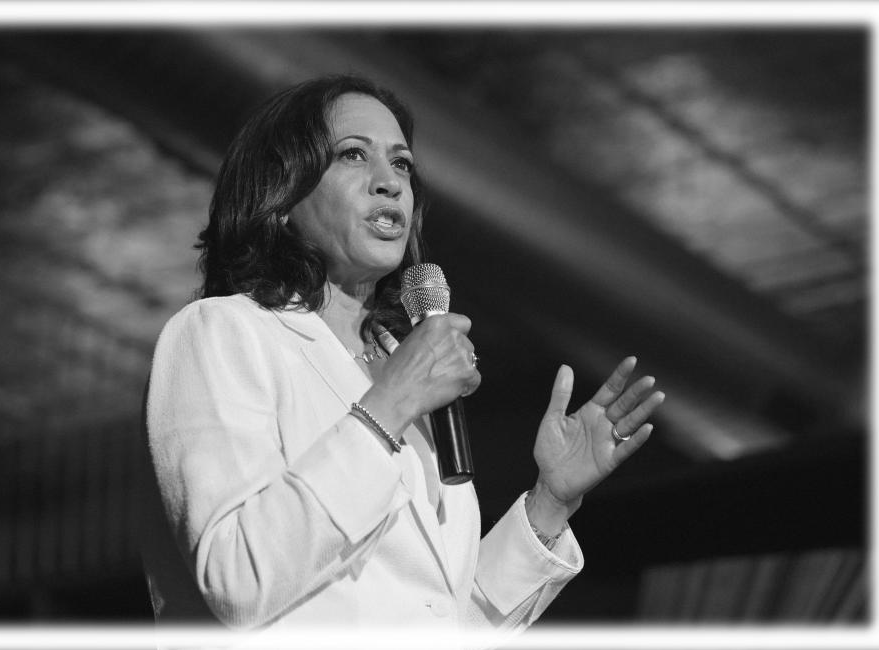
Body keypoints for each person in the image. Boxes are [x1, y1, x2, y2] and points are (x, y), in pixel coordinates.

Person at [139, 75, 665, 644]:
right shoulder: (224, 332)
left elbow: (440, 618)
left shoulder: (398, 366)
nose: (389, 183)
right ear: (283, 195)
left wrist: (549, 504)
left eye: (403, 165)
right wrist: (389, 405)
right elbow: (236, 578)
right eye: (353, 155)